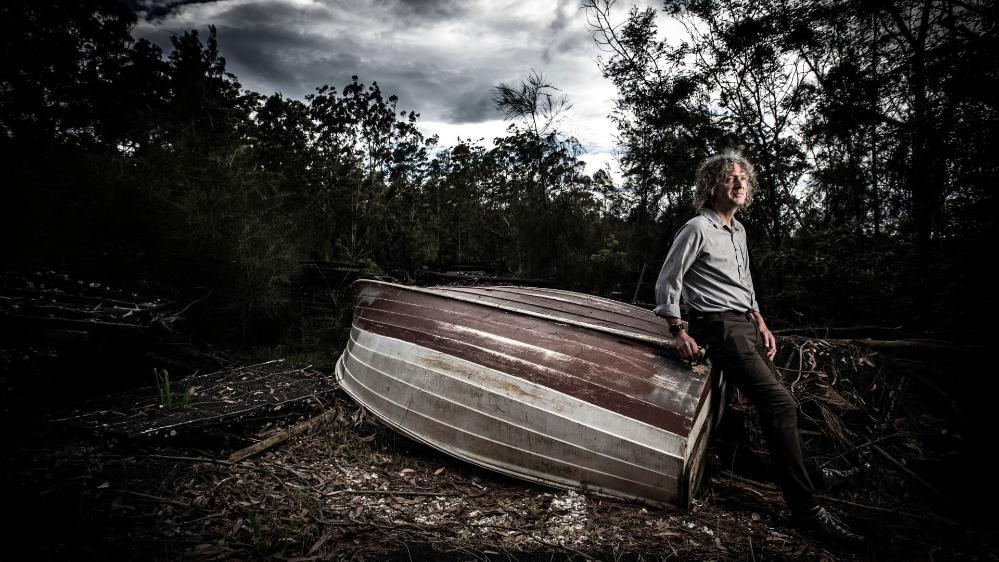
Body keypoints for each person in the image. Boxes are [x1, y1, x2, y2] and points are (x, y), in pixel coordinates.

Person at [653, 151, 863, 544]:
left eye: (743, 180)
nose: (738, 184)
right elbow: (668, 281)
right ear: (712, 186)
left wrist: (760, 320)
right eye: (730, 178)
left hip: (744, 325)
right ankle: (807, 510)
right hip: (717, 327)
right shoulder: (697, 228)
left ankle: (813, 476)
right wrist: (678, 329)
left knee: (775, 403)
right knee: (780, 404)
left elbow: (744, 281)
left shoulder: (739, 231)